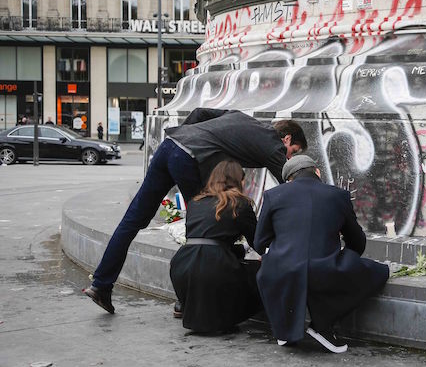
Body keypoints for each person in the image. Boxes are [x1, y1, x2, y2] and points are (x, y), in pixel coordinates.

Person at [83, 108, 307, 314]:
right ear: (286, 138)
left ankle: (101, 284)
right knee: (208, 223)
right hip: (189, 158)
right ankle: (187, 300)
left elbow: (199, 113)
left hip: (170, 145)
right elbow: (294, 184)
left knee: (133, 220)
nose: (287, 157)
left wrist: (185, 136)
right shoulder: (273, 143)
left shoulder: (240, 117)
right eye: (292, 151)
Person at [253, 155, 389, 353]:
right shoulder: (338, 195)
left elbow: (259, 242)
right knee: (378, 272)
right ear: (317, 172)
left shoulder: (273, 195)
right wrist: (342, 256)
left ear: (289, 179)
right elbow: (357, 242)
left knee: (281, 268)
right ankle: (321, 325)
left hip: (280, 271)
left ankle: (286, 330)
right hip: (326, 270)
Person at [170, 159, 262, 333]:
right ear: (236, 180)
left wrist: (238, 250)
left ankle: (184, 304)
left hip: (182, 264)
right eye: (243, 179)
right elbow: (258, 242)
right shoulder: (239, 203)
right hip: (216, 268)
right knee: (260, 270)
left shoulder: (196, 202)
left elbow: (206, 240)